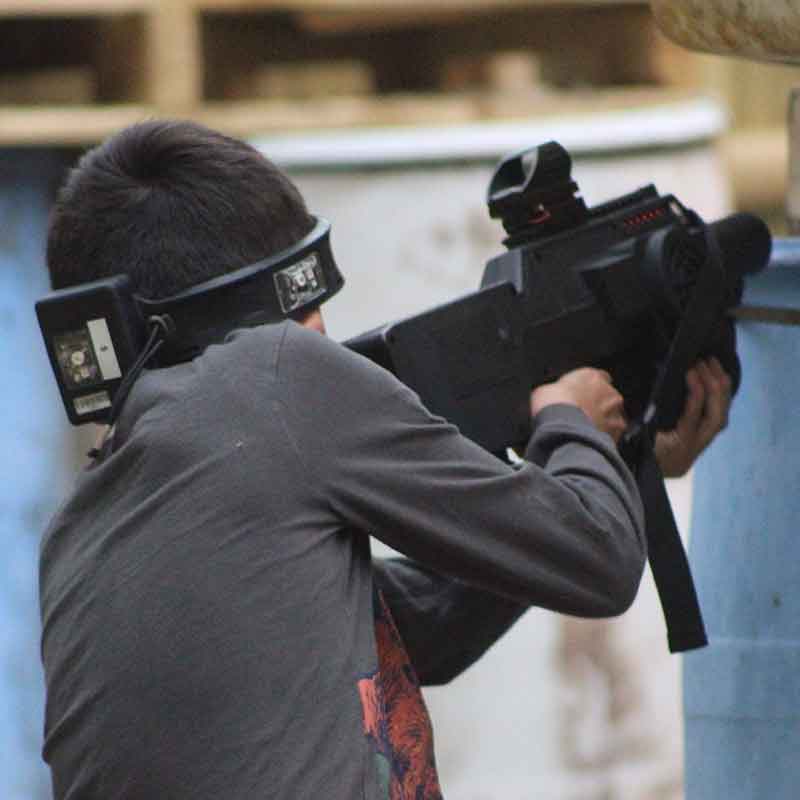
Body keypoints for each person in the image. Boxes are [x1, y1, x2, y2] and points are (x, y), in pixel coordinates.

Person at [38, 120, 730, 800]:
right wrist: (570, 421)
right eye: (306, 306)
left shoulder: (78, 530)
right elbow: (596, 560)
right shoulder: (274, 375)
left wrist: (595, 465)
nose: (321, 331)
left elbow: (425, 629)